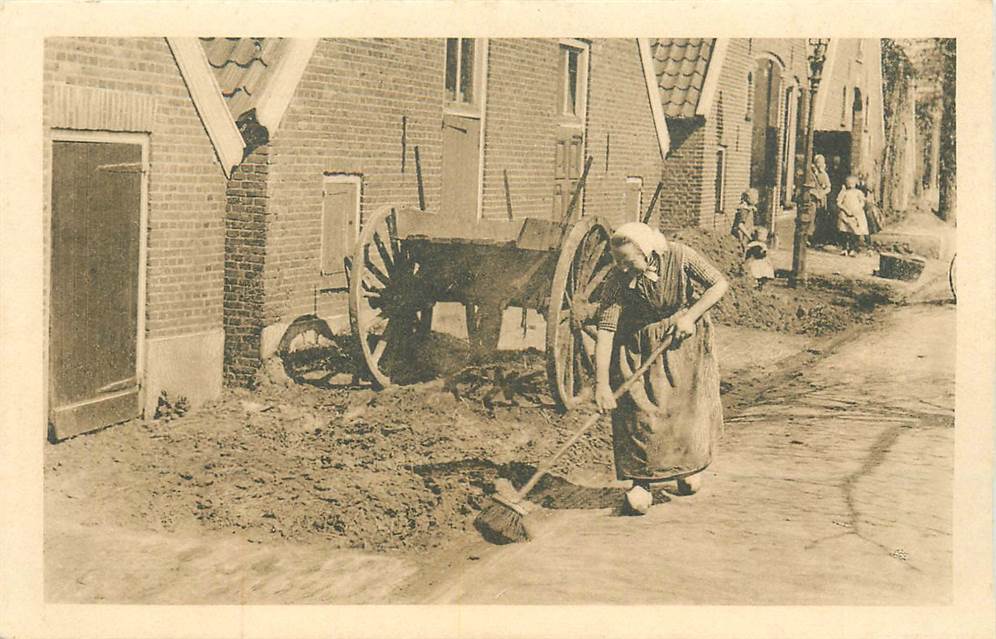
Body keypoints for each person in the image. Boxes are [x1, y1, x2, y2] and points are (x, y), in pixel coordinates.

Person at [594, 222, 729, 515]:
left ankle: (685, 467)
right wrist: (601, 384)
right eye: (617, 261)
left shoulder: (680, 256)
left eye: (628, 261)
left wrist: (690, 316)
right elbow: (606, 329)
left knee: (680, 411)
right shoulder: (617, 279)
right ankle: (641, 481)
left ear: (647, 253)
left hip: (681, 343)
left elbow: (719, 284)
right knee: (641, 413)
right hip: (637, 346)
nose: (622, 268)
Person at [836, 175, 868, 256]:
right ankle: (844, 248)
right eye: (849, 183)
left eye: (852, 183)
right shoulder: (844, 193)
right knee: (845, 232)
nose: (850, 185)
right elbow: (839, 203)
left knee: (855, 232)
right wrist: (845, 209)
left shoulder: (858, 192)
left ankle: (853, 249)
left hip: (855, 214)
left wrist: (857, 209)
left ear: (855, 184)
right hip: (845, 214)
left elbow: (862, 202)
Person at [810, 155, 833, 246]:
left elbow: (828, 187)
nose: (820, 164)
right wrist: (815, 193)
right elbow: (809, 186)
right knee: (812, 217)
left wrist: (823, 193)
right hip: (813, 199)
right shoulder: (811, 173)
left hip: (822, 199)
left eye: (822, 162)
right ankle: (810, 237)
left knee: (821, 218)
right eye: (818, 162)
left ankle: (818, 239)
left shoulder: (824, 174)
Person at [730, 188, 759, 253]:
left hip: (745, 237)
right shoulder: (743, 210)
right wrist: (749, 236)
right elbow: (740, 225)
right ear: (749, 198)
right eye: (755, 199)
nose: (757, 201)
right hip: (740, 237)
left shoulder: (749, 208)